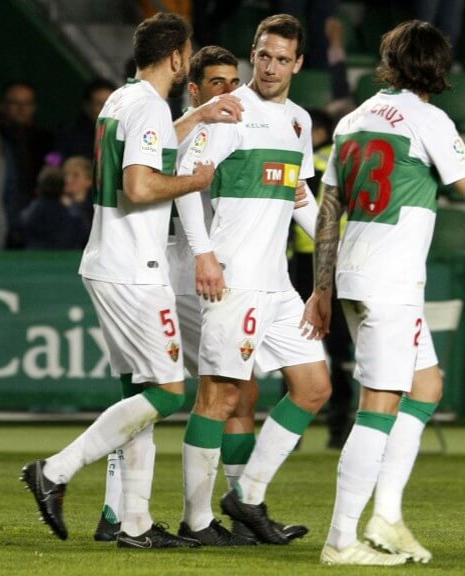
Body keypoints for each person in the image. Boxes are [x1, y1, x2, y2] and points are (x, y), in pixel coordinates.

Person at [20, 12, 243, 549]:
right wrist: (196, 178)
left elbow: (151, 143)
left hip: (107, 261)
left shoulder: (121, 99)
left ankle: (133, 523)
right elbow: (138, 186)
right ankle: (54, 471)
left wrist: (200, 115)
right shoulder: (146, 106)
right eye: (187, 55)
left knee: (139, 396)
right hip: (136, 271)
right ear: (175, 58)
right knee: (168, 393)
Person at [94, 43, 316, 546]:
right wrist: (204, 253)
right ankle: (122, 512)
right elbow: (166, 186)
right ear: (192, 89)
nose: (230, 92)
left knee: (237, 394)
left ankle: (239, 513)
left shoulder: (241, 121)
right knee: (163, 392)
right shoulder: (190, 125)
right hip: (188, 271)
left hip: (227, 273)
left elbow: (286, 189)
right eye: (217, 83)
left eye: (233, 81)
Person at [303, 19, 465, 566]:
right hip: (390, 281)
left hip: (356, 275)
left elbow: (328, 212)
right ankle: (340, 540)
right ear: (439, 67)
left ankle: (386, 517)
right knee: (379, 405)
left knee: (426, 385)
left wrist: (321, 289)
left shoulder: (352, 121)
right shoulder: (428, 119)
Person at [173, 14, 333, 547]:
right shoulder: (229, 114)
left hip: (278, 285)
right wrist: (205, 255)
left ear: (298, 64)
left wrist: (337, 251)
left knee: (313, 388)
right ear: (252, 55)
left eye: (282, 58)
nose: (270, 66)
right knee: (218, 400)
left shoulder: (298, 122)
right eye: (263, 55)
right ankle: (194, 524)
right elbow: (187, 186)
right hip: (234, 280)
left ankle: (247, 497)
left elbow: (299, 197)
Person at [289, 108, 354, 449]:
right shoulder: (339, 158)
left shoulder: (315, 161)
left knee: (298, 345)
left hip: (310, 260)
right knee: (338, 348)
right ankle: (339, 427)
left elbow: (293, 203)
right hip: (336, 259)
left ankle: (294, 429)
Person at [0, 81, 54, 248]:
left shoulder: (46, 140)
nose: (21, 108)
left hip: (37, 215)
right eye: (15, 103)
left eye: (27, 103)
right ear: (3, 105)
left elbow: (55, 162)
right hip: (1, 212)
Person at [20, 165, 88, 249]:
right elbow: (83, 233)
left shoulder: (31, 212)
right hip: (66, 259)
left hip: (35, 258)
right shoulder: (73, 215)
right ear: (62, 187)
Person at [54, 78, 117, 162]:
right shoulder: (69, 135)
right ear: (87, 107)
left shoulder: (126, 135)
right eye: (100, 104)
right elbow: (52, 160)